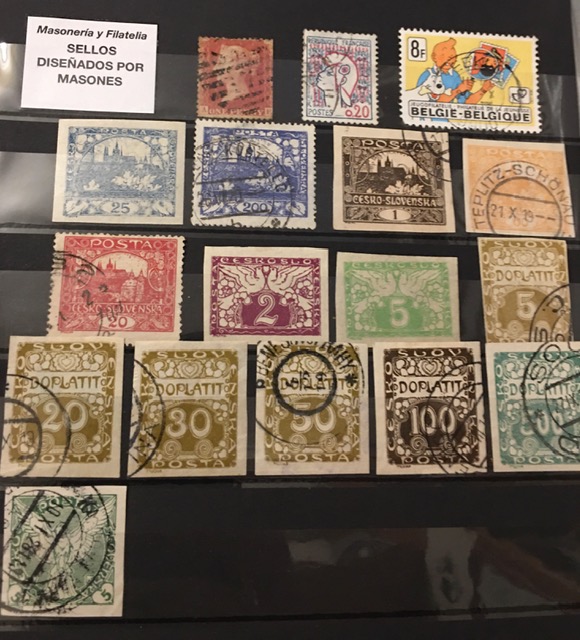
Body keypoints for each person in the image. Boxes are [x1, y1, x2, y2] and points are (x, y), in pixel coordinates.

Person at [416, 38, 492, 104]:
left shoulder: (454, 75)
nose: (450, 61)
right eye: (444, 56)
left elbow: (466, 103)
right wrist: (459, 89)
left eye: (453, 57)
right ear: (434, 57)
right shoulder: (427, 75)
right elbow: (433, 103)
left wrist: (483, 90)